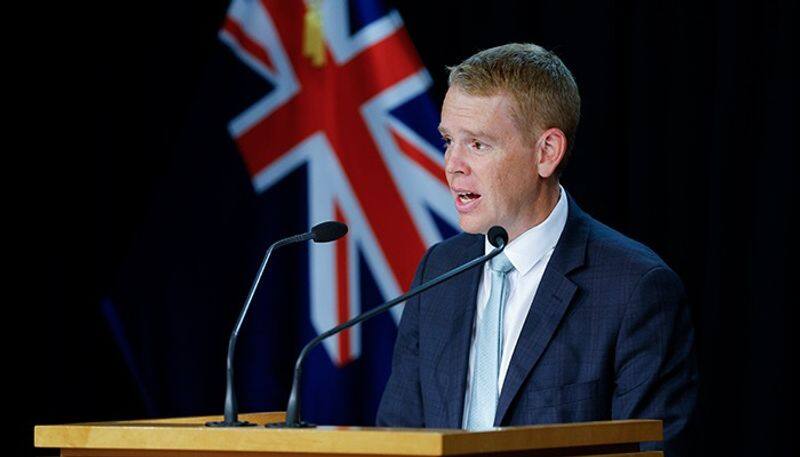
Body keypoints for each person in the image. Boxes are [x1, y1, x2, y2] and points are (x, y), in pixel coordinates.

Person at [376, 43, 698, 456]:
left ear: (546, 152)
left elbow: (653, 451)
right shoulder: (440, 269)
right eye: (448, 140)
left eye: (477, 144)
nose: (452, 164)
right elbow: (397, 437)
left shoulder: (635, 290)